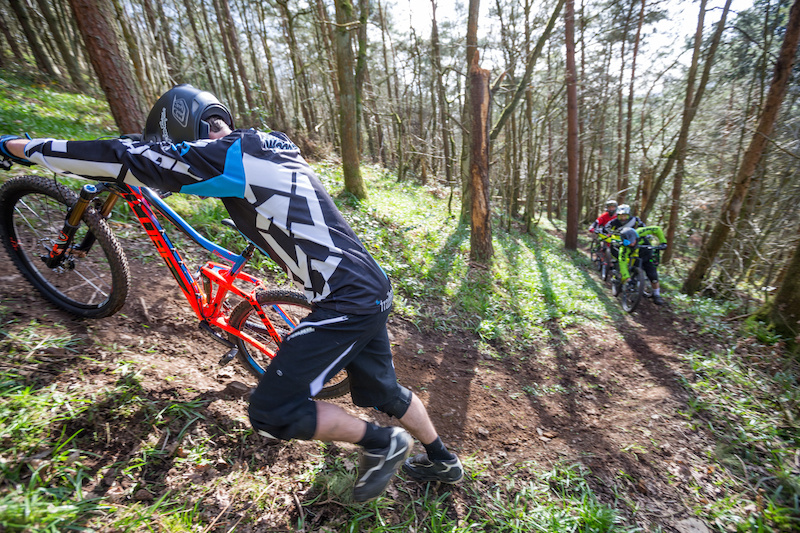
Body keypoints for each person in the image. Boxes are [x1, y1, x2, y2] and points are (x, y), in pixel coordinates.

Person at [0, 84, 463, 502]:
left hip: (345, 297)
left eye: (174, 142)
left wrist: (24, 147)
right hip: (370, 285)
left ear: (180, 127)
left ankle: (383, 445)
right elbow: (169, 158)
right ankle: (443, 460)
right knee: (384, 390)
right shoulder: (263, 145)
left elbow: (124, 155)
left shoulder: (229, 156)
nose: (175, 150)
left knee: (272, 411)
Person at [606, 205, 667, 305]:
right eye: (627, 242)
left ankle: (656, 294)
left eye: (632, 241)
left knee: (653, 276)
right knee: (632, 275)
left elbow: (656, 229)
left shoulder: (640, 232)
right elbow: (622, 263)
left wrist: (663, 242)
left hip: (647, 254)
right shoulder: (624, 248)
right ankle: (633, 289)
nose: (631, 244)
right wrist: (627, 278)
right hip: (633, 258)